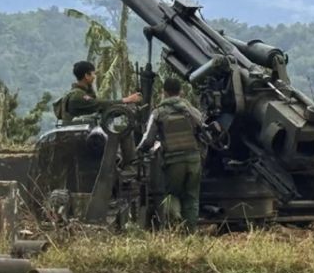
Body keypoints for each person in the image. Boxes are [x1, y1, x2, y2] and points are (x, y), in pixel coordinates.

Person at [136, 77, 205, 232]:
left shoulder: (158, 112)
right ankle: (190, 232)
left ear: (164, 93)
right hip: (194, 159)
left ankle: (175, 226)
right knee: (192, 197)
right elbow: (203, 127)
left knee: (172, 194)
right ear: (181, 92)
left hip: (174, 161)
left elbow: (148, 140)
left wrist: (138, 153)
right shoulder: (191, 110)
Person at [54, 60, 141, 122]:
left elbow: (102, 110)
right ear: (86, 76)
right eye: (93, 73)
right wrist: (126, 100)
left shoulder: (80, 92)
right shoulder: (78, 96)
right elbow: (99, 104)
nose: (94, 76)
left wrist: (124, 109)